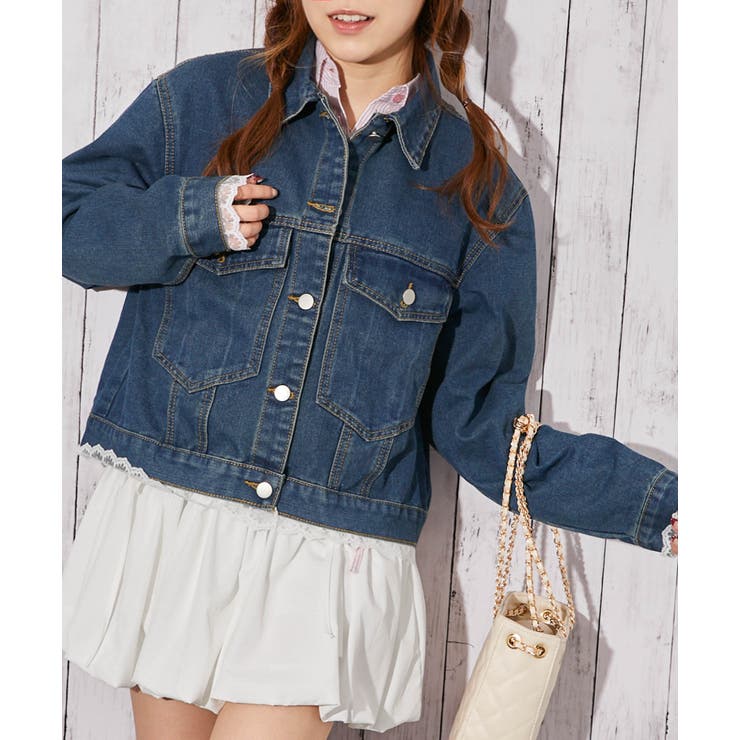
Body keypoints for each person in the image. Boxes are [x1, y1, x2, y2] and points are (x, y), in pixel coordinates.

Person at [61, 1, 678, 738]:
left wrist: (664, 507)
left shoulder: (478, 190)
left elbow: (482, 428)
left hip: (324, 563)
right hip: (176, 522)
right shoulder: (203, 100)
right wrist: (193, 217)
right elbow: (65, 226)